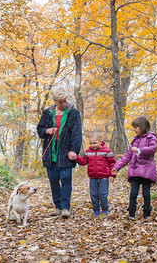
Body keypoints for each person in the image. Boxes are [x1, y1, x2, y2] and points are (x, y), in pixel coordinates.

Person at [37, 85, 82, 218]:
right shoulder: (47, 113)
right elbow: (39, 130)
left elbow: (77, 134)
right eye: (60, 102)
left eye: (65, 100)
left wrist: (74, 150)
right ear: (55, 101)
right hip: (51, 152)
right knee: (53, 179)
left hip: (66, 152)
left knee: (66, 178)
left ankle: (65, 208)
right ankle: (57, 207)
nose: (64, 103)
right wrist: (48, 131)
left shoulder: (73, 113)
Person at [111, 116, 157, 219]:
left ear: (142, 126)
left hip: (147, 170)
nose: (134, 129)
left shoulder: (151, 137)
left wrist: (140, 150)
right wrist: (116, 167)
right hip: (135, 170)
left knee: (146, 193)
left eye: (136, 127)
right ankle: (131, 213)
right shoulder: (134, 140)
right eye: (134, 127)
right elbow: (127, 156)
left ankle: (147, 214)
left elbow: (153, 148)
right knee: (133, 193)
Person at [75, 131, 116, 218]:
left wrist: (112, 175)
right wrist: (77, 157)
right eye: (91, 143)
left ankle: (105, 209)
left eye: (94, 143)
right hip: (93, 177)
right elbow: (83, 162)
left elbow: (112, 164)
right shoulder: (88, 152)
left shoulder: (107, 151)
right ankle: (96, 210)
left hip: (104, 177)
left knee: (103, 194)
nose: (92, 145)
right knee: (93, 194)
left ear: (100, 142)